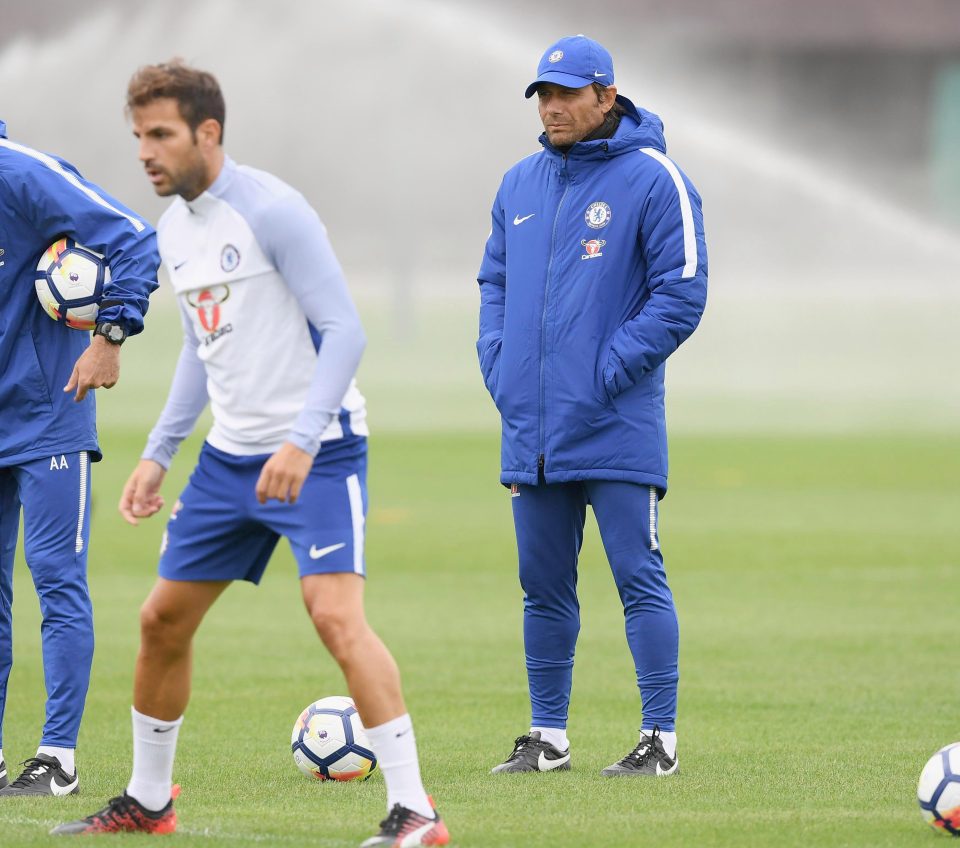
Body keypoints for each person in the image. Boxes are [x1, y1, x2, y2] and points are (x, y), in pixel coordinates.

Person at [52, 61, 449, 848]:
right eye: (137, 137)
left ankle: (416, 814)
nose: (145, 152)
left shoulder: (275, 212)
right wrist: (159, 454)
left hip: (320, 454)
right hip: (230, 463)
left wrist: (302, 441)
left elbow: (346, 332)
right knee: (162, 620)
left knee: (335, 618)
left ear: (209, 132)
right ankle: (148, 800)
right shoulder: (172, 229)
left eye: (160, 134)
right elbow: (205, 348)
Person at [476, 35, 708, 777]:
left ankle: (658, 740)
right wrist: (502, 367)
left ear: (607, 97)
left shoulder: (654, 177)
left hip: (615, 420)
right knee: (542, 589)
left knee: (637, 577)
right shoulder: (518, 182)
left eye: (568, 93)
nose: (552, 106)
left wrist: (608, 370)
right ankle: (547, 738)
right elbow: (493, 285)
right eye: (543, 93)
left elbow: (683, 291)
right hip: (533, 428)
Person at [0, 121, 159, 797]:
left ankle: (56, 757)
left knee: (56, 579)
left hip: (48, 414)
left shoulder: (20, 172)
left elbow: (132, 235)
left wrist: (112, 332)